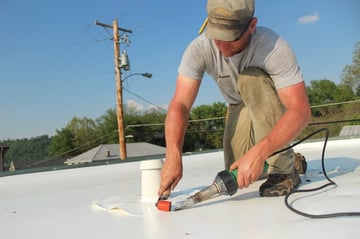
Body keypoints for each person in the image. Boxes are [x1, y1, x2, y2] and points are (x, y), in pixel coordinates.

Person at [158, 0, 311, 197]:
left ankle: (284, 168)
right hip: (237, 105)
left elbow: (300, 110)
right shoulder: (199, 49)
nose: (221, 44)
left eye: (230, 38)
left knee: (249, 79)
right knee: (239, 172)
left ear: (252, 26)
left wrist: (260, 152)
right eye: (216, 36)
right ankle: (290, 157)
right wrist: (173, 154)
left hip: (270, 105)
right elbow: (180, 104)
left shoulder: (272, 47)